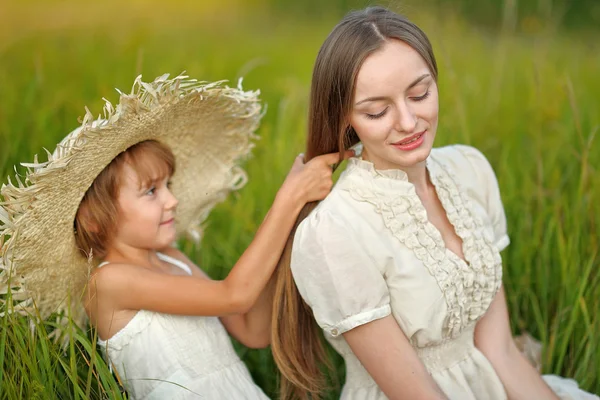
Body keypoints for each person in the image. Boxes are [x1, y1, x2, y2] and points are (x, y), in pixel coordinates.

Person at [270, 7, 599, 400]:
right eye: (377, 111)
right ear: (345, 118)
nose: (409, 122)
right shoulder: (335, 232)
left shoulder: (469, 171)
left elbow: (501, 350)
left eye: (420, 93)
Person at [0, 73, 351, 399]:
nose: (172, 200)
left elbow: (252, 330)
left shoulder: (173, 259)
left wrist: (291, 225)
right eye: (151, 191)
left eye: (168, 185)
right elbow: (234, 296)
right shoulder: (108, 282)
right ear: (93, 218)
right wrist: (286, 200)